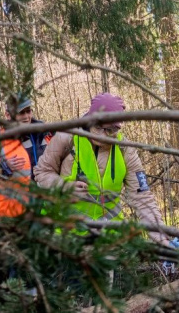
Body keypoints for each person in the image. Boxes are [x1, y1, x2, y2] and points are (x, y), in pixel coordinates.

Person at [33, 93, 170, 245]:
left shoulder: (125, 149)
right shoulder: (66, 137)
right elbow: (42, 172)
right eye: (98, 127)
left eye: (110, 130)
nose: (102, 135)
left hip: (107, 239)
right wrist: (64, 186)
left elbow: (142, 196)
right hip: (65, 235)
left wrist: (161, 238)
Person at [7, 95, 53, 176]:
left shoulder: (45, 133)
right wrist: (5, 166)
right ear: (8, 115)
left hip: (46, 186)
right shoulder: (1, 138)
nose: (26, 117)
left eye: (28, 111)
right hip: (19, 187)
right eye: (21, 113)